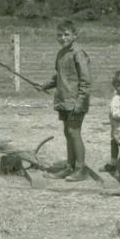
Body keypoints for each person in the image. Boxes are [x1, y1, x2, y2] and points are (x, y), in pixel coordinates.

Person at [36, 20, 91, 182]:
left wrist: (80, 103)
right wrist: (45, 85)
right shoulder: (60, 54)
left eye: (66, 34)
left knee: (74, 133)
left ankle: (80, 169)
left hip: (76, 102)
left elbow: (85, 81)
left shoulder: (78, 54)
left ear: (75, 35)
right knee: (68, 133)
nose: (63, 38)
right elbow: (59, 77)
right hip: (64, 101)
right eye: (59, 35)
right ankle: (70, 167)